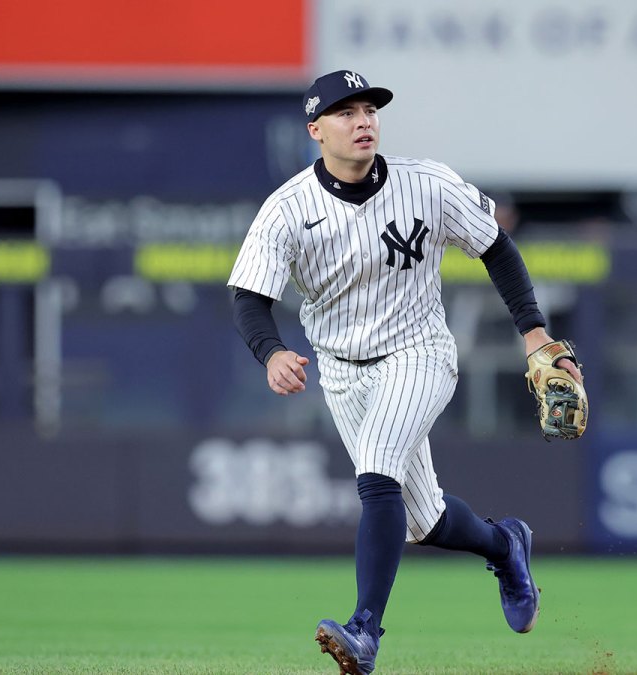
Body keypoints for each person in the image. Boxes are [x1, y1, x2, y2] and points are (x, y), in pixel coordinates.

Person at [226, 69, 583, 674]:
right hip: (342, 372)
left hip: (419, 353)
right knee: (425, 520)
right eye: (345, 113)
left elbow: (495, 245)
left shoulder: (428, 183)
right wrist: (272, 352)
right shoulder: (287, 209)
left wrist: (535, 334)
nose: (363, 120)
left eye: (369, 110)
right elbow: (248, 296)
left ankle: (365, 632)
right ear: (316, 130)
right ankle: (506, 544)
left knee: (376, 472)